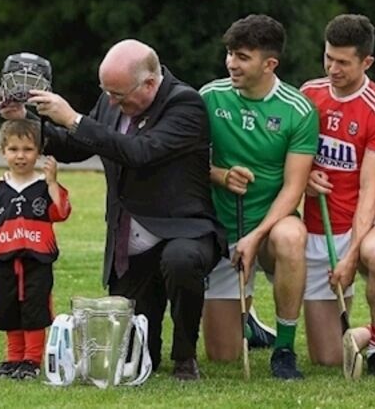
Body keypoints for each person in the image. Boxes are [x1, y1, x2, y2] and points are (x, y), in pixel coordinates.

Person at [19, 39, 225, 381]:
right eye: (107, 93)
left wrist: (73, 118)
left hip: (183, 230)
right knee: (138, 358)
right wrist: (27, 122)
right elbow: (77, 145)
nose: (111, 102)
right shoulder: (112, 97)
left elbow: (139, 152)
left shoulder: (185, 104)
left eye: (118, 95)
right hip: (131, 240)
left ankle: (185, 357)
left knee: (181, 260)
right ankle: (154, 350)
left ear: (149, 83)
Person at [199, 14, 318, 380]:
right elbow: (188, 163)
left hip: (269, 229)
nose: (231, 63)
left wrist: (256, 236)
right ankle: (250, 326)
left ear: (270, 64)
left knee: (291, 236)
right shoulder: (209, 97)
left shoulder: (297, 109)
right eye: (230, 54)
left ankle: (284, 349)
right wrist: (220, 175)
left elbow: (294, 188)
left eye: (242, 57)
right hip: (223, 228)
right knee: (222, 356)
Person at [299, 14, 375, 377]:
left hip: (369, 220)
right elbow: (289, 160)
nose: (332, 68)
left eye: (343, 62)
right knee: (327, 359)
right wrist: (304, 176)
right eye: (328, 58)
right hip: (319, 227)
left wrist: (350, 256)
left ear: (366, 62)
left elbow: (370, 194)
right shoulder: (308, 94)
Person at [0, 119, 71, 380]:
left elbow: (62, 212)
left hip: (37, 261)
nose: (20, 155)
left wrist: (52, 182)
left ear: (38, 152)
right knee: (8, 309)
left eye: (27, 149)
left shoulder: (44, 187)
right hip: (4, 262)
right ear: (3, 152)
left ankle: (31, 361)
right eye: (13, 149)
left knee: (35, 310)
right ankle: (13, 359)